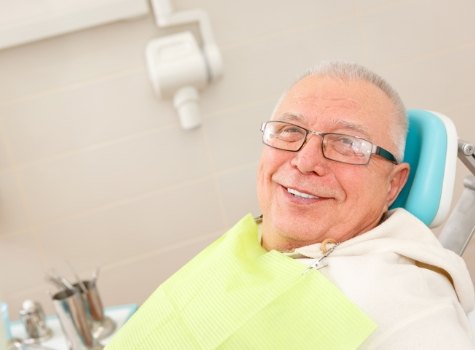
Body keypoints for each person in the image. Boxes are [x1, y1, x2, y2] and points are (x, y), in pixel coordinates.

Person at [105, 61, 475, 349]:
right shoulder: (258, 236)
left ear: (393, 184)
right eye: (290, 131)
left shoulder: (400, 303)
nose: (304, 160)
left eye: (347, 143)